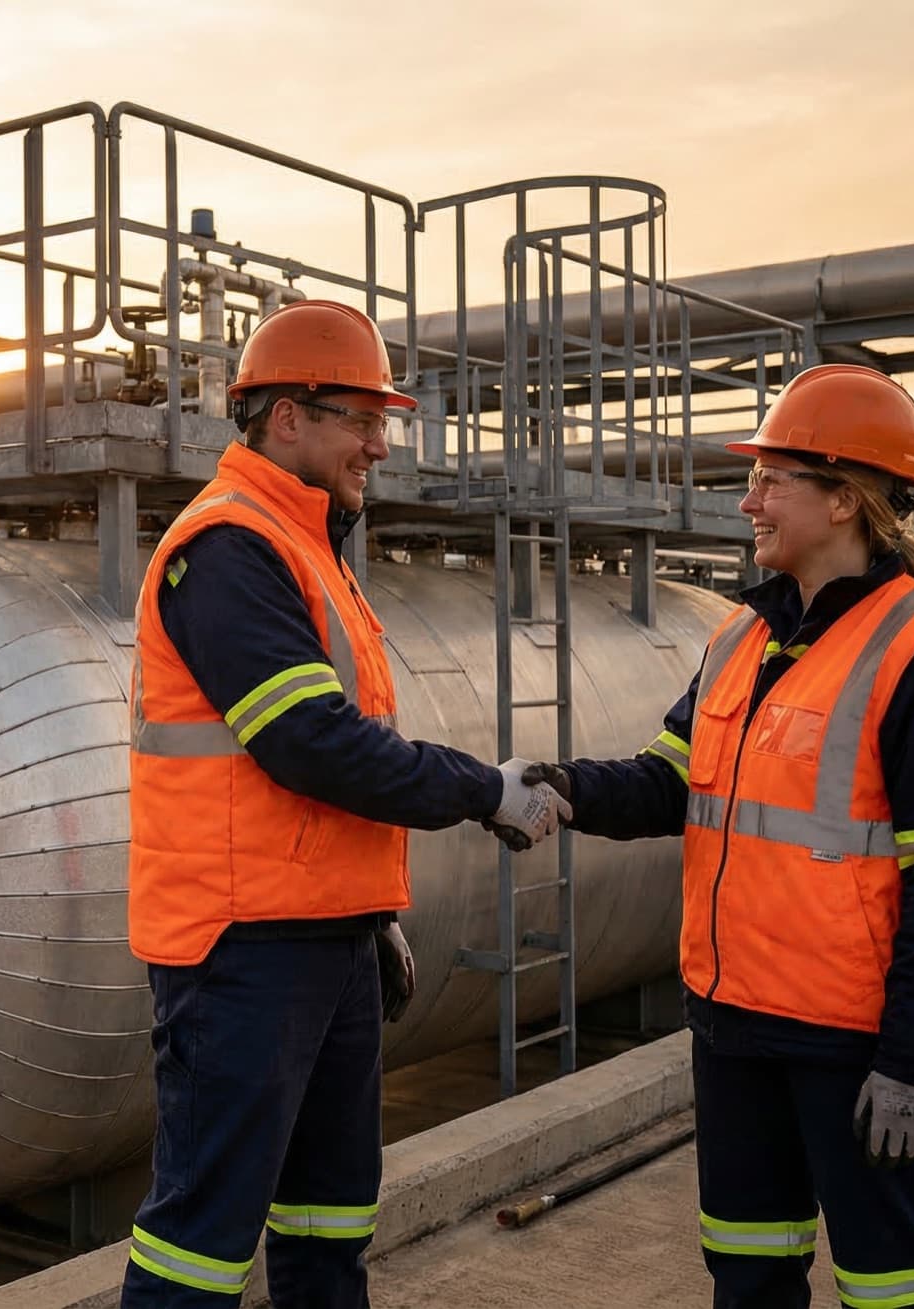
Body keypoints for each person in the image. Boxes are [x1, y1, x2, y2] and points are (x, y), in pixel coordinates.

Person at [513, 364, 914, 1309]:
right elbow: (670, 781)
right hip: (734, 1028)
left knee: (895, 1290)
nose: (749, 503)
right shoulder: (741, 636)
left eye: (772, 481)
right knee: (746, 1274)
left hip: (855, 1046)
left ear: (845, 499)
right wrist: (564, 789)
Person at [124, 298, 570, 1307]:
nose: (381, 443)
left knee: (329, 1222)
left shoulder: (308, 546)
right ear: (288, 417)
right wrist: (484, 789)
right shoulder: (228, 549)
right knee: (200, 1242)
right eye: (362, 420)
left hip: (323, 943)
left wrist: (367, 918)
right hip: (241, 953)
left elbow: (332, 769)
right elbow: (311, 744)